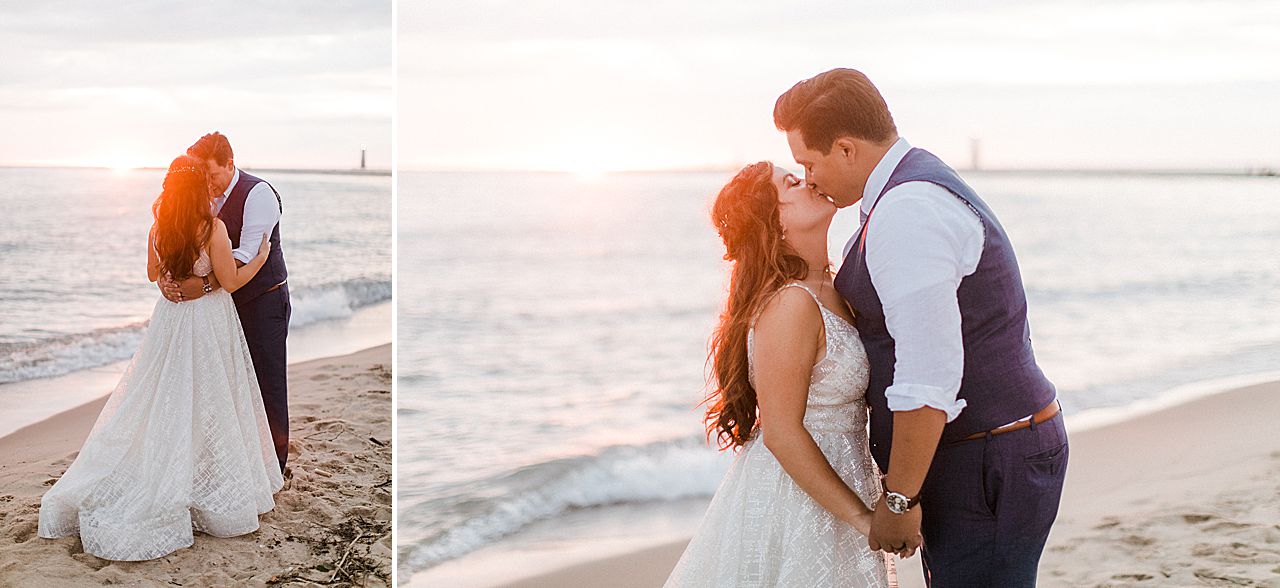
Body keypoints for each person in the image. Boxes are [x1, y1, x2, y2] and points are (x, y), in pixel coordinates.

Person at [775, 68, 1068, 586]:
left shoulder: (907, 211)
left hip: (985, 459)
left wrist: (898, 497)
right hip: (982, 452)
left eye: (808, 162)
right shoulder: (902, 193)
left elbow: (929, 375)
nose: (808, 177)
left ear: (845, 148)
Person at [38, 155, 284, 561]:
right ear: (197, 189)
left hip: (170, 320)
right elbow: (232, 280)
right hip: (207, 321)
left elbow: (154, 274)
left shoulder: (159, 226)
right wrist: (260, 255)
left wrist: (172, 283)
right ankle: (203, 476)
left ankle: (179, 466)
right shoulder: (212, 228)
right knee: (211, 395)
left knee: (167, 393)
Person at [665, 162, 897, 587]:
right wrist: (864, 520)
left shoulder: (837, 284)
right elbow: (782, 433)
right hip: (798, 500)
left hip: (842, 481)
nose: (808, 180)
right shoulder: (790, 304)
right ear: (775, 223)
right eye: (791, 182)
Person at [160, 132, 292, 473]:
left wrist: (200, 284)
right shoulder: (202, 200)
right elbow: (180, 247)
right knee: (227, 385)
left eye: (212, 174)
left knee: (267, 384)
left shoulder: (258, 195)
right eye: (200, 176)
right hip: (220, 310)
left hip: (262, 303)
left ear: (230, 164)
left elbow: (244, 258)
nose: (207, 183)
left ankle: (275, 466)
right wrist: (168, 277)